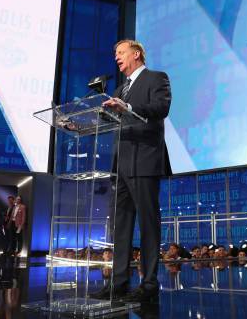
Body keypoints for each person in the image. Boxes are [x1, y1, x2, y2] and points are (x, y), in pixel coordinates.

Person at [98, 39, 172, 303]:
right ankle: (118, 283)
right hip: (122, 164)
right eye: (114, 53)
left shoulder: (156, 78)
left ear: (136, 53)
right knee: (121, 226)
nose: (116, 57)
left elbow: (160, 108)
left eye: (120, 52)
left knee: (148, 223)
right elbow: (112, 121)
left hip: (145, 159)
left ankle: (149, 282)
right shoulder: (120, 88)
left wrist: (127, 107)